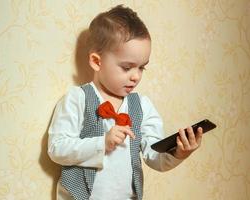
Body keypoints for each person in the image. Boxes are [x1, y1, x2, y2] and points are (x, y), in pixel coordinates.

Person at [48, 4, 203, 200]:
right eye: (127, 67)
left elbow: (154, 157)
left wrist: (179, 153)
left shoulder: (142, 106)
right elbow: (57, 148)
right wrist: (102, 142)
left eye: (142, 68)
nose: (136, 76)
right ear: (97, 61)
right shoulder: (77, 98)